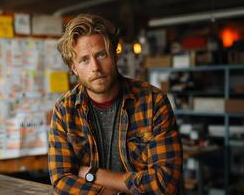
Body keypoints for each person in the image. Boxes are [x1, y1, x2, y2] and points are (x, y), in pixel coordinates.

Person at [48, 14, 183, 194]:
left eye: (101, 54)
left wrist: (92, 175)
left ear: (114, 54)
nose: (95, 67)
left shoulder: (153, 102)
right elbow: (61, 180)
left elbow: (166, 183)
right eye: (84, 60)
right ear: (74, 67)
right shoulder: (65, 110)